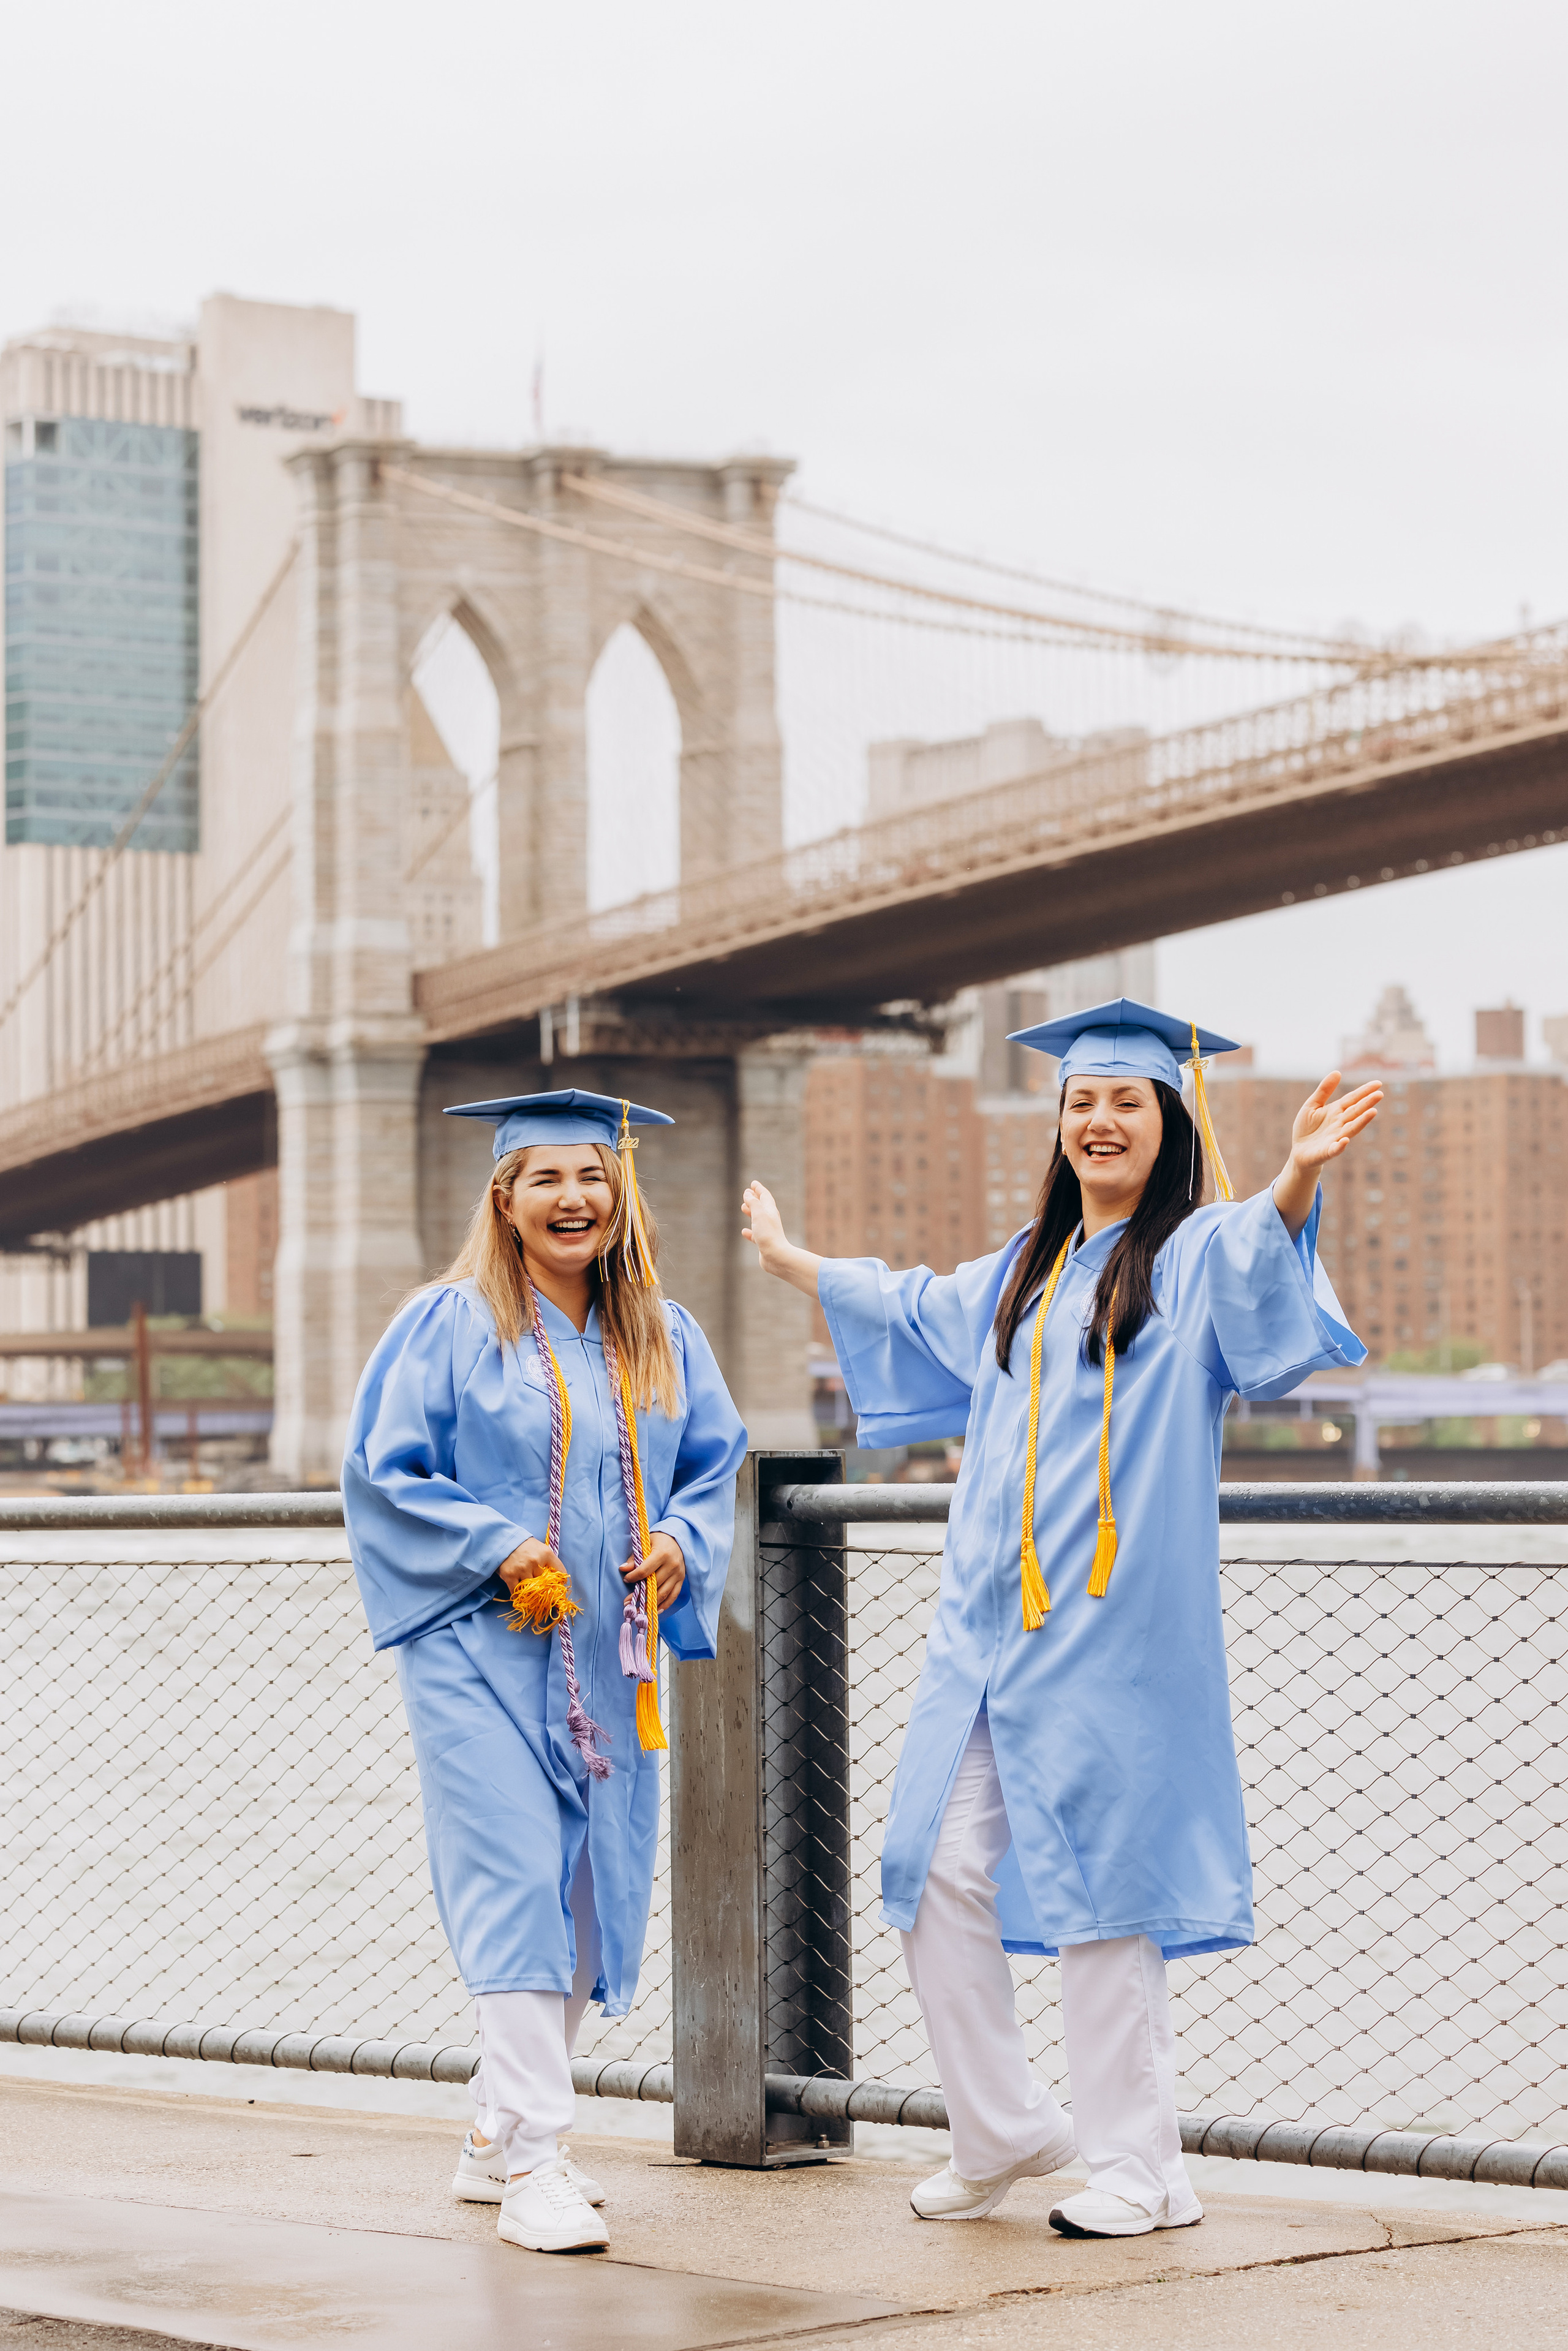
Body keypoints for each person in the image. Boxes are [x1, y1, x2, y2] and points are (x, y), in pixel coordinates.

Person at [742, 999, 1379, 2240]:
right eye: (1081, 1102)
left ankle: (1140, 2167)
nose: (1097, 1119)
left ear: (1166, 1122)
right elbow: (912, 1304)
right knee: (929, 1871)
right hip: (980, 1630)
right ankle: (1000, 2126)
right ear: (1057, 1122)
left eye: (1125, 1101)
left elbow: (1259, 1254)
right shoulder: (1025, 1269)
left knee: (1105, 1893)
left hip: (1111, 1632)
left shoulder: (1186, 1256)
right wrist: (792, 1260)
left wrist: (1297, 1174)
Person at [344, 1088, 747, 2254]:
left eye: (592, 1178)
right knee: (514, 1873)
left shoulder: (665, 1334)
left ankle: (491, 2130)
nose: (574, 1198)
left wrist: (680, 1539)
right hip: (477, 1646)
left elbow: (711, 1469)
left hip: (612, 1659)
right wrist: (496, 1541)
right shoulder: (449, 1323)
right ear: (505, 1199)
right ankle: (536, 2160)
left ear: (620, 1193)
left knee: (586, 1894)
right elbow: (385, 1471)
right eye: (546, 1180)